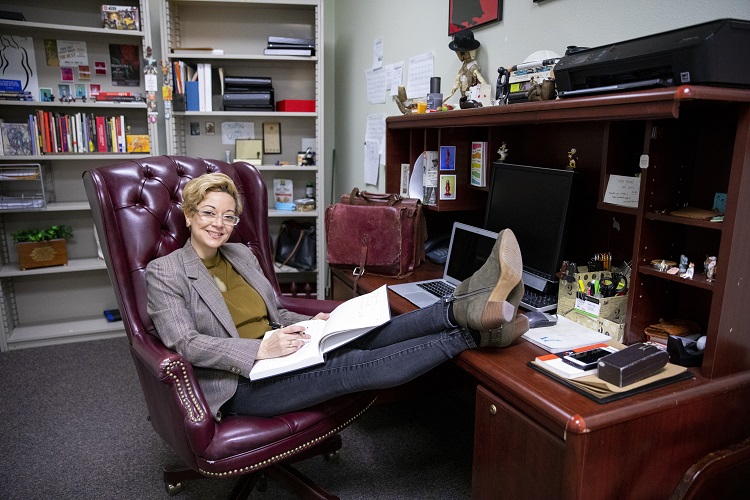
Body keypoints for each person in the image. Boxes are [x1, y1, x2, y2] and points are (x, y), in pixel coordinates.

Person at [146, 173, 529, 420]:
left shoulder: (241, 254)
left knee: (373, 331)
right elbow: (186, 342)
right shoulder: (167, 271)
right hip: (241, 383)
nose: (219, 224)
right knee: (356, 363)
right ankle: (475, 332)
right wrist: (259, 350)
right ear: (190, 214)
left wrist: (309, 324)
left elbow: (276, 312)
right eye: (209, 213)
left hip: (286, 348)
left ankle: (462, 306)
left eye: (229, 217)